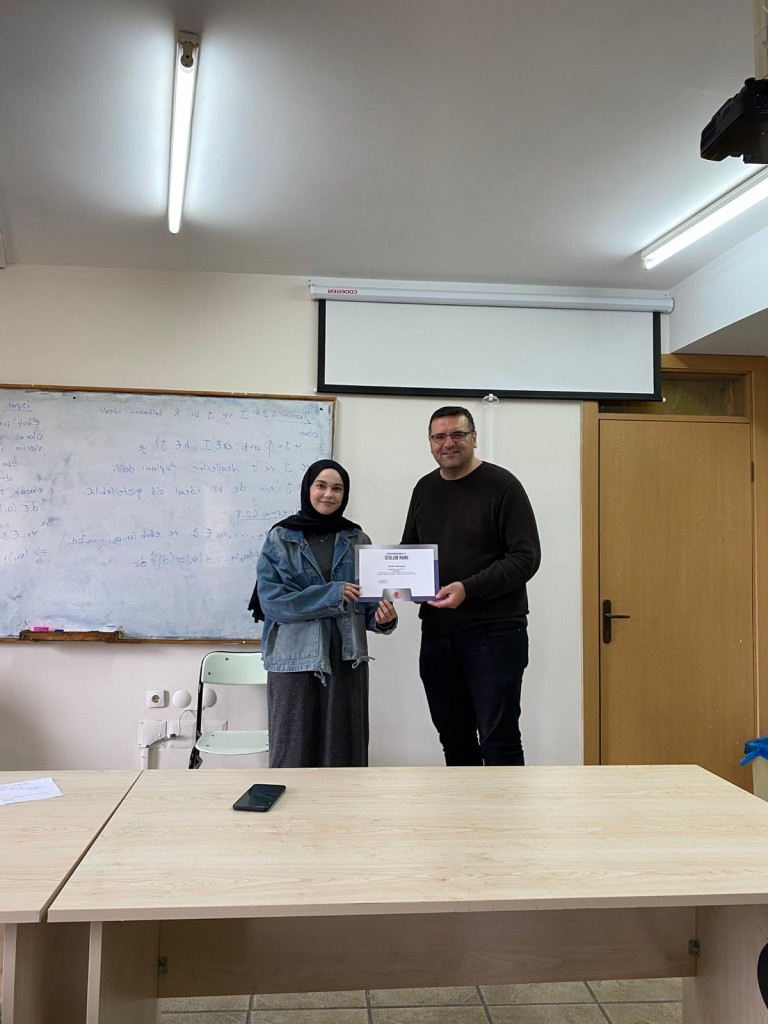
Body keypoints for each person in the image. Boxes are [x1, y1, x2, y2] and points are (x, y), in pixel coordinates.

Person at [401, 406, 540, 766]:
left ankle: (505, 807)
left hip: (494, 635)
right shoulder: (425, 489)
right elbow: (410, 553)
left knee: (498, 740)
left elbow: (526, 557)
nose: (448, 443)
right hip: (437, 634)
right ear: (430, 442)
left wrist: (468, 588)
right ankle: (465, 806)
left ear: (474, 438)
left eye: (457, 434)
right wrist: (387, 588)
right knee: (454, 739)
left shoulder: (503, 486)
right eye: (439, 436)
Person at [252, 459, 397, 768]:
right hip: (293, 659)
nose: (328, 494)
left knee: (345, 753)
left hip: (346, 657)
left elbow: (368, 605)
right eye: (321, 486)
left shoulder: (357, 539)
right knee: (293, 752)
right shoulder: (281, 537)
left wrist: (383, 618)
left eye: (337, 488)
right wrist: (331, 594)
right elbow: (273, 604)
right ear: (308, 488)